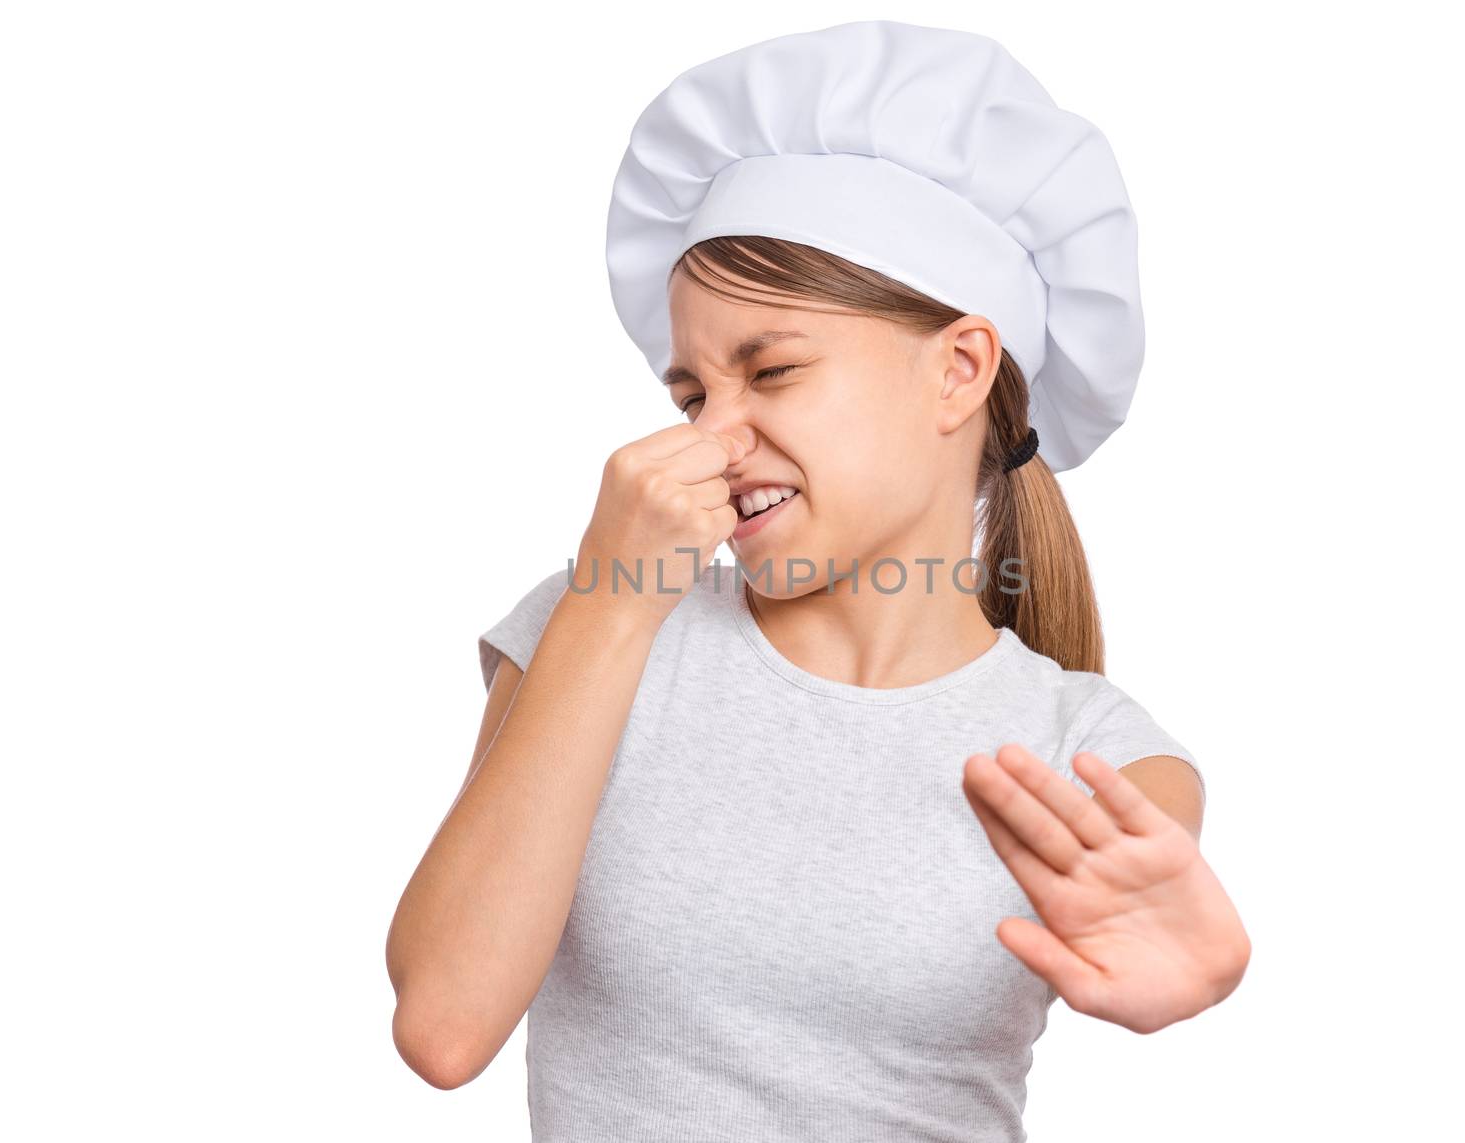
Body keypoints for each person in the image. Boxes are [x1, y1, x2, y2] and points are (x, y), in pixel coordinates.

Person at [386, 20, 1250, 1141]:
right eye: (692, 394)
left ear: (958, 371)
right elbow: (444, 1027)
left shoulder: (1089, 749)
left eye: (773, 371)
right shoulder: (592, 628)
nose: (714, 435)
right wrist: (607, 601)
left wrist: (1199, 976)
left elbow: (1152, 924)